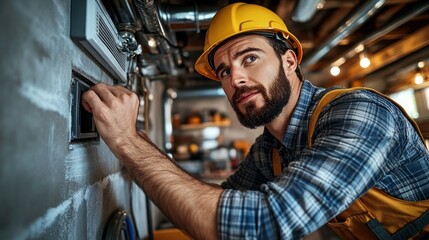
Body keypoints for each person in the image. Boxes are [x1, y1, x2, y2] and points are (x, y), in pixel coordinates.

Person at [82, 3, 429, 239]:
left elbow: (260, 223)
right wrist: (134, 135)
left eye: (250, 58)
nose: (236, 79)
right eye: (224, 71)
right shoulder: (270, 151)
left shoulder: (360, 113)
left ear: (289, 61)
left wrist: (127, 143)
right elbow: (217, 208)